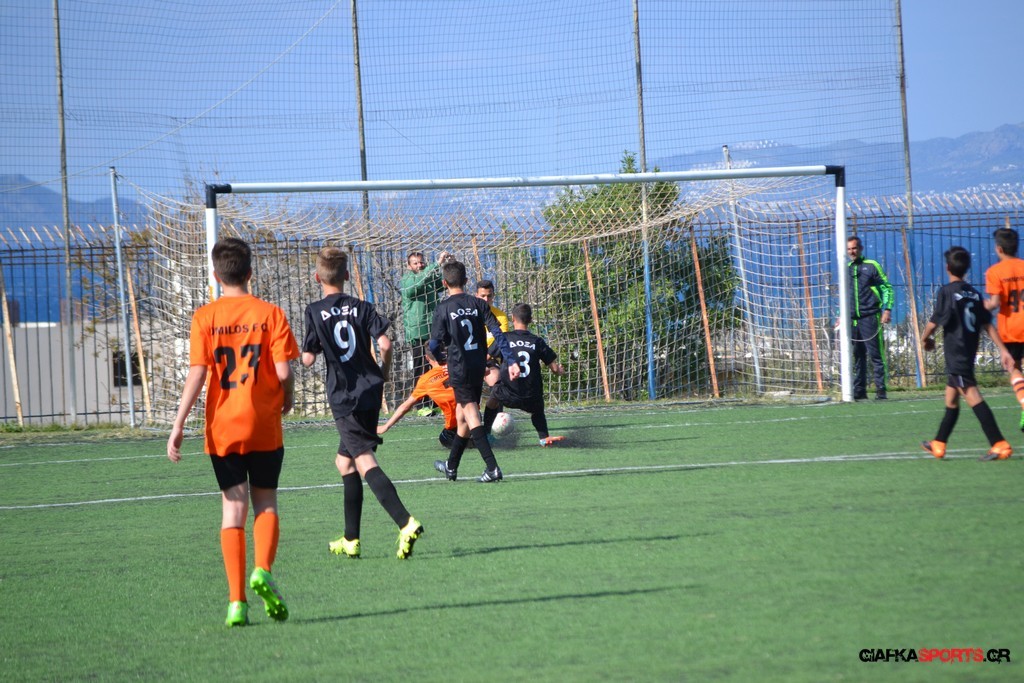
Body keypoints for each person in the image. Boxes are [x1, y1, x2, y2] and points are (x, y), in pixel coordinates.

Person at [167, 237, 299, 628]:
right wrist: (288, 397)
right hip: (263, 424)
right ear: (250, 273)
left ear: (215, 275)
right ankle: (263, 570)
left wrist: (178, 424)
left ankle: (236, 603)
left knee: (233, 509)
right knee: (266, 502)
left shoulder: (204, 317)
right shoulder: (270, 313)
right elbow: (284, 371)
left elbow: (197, 373)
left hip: (223, 427)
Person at [301, 246, 423, 559]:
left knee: (364, 461)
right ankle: (350, 539)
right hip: (370, 391)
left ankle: (405, 522)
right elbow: (385, 344)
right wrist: (384, 371)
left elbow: (308, 359)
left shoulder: (314, 311)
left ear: (317, 277)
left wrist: (299, 350)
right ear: (345, 275)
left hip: (345, 397)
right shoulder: (363, 307)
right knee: (344, 462)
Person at [430, 260, 521, 483]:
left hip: (459, 367)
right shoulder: (479, 304)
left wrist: (441, 358)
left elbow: (433, 344)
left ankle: (492, 468)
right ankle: (451, 466)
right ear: (466, 281)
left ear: (444, 283)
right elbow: (498, 334)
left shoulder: (443, 308)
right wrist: (511, 360)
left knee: (471, 414)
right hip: (478, 365)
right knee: (461, 418)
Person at [920, 246, 1014, 461]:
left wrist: (925, 339)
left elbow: (935, 320)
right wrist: (1003, 350)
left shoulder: (947, 291)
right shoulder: (974, 293)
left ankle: (999, 443)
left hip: (957, 353)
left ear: (947, 267)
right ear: (966, 269)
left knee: (973, 396)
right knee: (951, 398)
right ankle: (939, 443)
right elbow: (987, 324)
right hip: (968, 351)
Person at [483, 303, 567, 447]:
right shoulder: (537, 341)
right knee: (538, 410)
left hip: (509, 394)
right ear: (531, 320)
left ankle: (486, 433)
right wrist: (560, 371)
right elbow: (554, 369)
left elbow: (486, 358)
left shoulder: (504, 338)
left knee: (493, 398)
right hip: (530, 396)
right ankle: (544, 437)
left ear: (512, 318)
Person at [377, 347, 459, 448]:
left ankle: (467, 440)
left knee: (444, 437)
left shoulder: (425, 380)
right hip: (471, 413)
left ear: (427, 358)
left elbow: (405, 406)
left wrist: (386, 426)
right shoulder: (457, 367)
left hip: (456, 424)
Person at [984, 226, 1024, 429]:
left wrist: (978, 305)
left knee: (1014, 368)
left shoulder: (995, 272)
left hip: (1011, 329)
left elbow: (994, 303)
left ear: (999, 249)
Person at [846, 236, 894, 400]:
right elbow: (845, 295)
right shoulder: (847, 269)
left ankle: (881, 390)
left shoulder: (872, 266)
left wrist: (887, 309)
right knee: (857, 355)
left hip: (870, 316)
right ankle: (859, 390)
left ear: (860, 248)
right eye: (849, 249)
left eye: (854, 248)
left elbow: (886, 288)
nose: (852, 252)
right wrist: (841, 315)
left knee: (875, 354)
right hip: (853, 320)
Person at [401, 250, 450, 380]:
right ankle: (420, 393)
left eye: (421, 262)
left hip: (434, 329)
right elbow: (416, 285)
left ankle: (438, 393)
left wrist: (450, 265)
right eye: (415, 263)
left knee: (440, 367)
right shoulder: (407, 280)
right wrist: (437, 263)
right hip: (418, 332)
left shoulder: (429, 277)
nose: (419, 265)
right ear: (409, 266)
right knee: (421, 370)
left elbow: (445, 284)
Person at [475, 279, 509, 348]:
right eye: (483, 296)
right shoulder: (470, 314)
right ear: (476, 296)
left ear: (493, 295)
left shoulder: (501, 316)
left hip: (492, 353)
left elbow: (501, 339)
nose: (486, 299)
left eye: (489, 296)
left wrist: (489, 353)